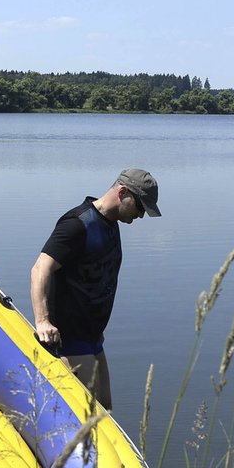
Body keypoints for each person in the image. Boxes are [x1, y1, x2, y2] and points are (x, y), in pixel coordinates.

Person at [29, 168, 161, 411]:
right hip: (71, 339)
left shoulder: (110, 224)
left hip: (93, 339)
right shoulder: (77, 225)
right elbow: (40, 269)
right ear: (123, 192)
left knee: (106, 410)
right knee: (89, 419)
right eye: (140, 207)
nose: (141, 216)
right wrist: (43, 321)